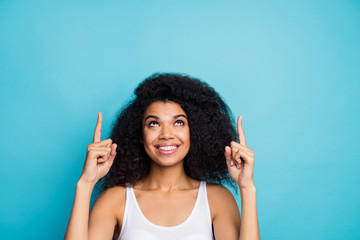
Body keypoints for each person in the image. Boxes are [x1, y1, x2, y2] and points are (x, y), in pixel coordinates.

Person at [65, 73, 260, 240]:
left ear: (196, 132)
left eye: (178, 123)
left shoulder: (217, 199)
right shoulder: (115, 201)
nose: (166, 134)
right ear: (140, 135)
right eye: (154, 124)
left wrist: (247, 188)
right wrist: (86, 183)